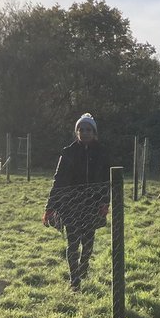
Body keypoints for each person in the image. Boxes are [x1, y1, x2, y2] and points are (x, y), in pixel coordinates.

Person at [44, 113, 109, 290]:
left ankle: (84, 267)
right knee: (72, 242)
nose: (85, 132)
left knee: (88, 242)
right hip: (70, 204)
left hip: (92, 205)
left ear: (94, 132)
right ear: (76, 132)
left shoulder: (102, 153)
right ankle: (74, 280)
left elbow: (106, 180)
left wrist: (105, 202)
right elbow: (58, 180)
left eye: (88, 129)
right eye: (81, 129)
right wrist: (50, 207)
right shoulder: (68, 153)